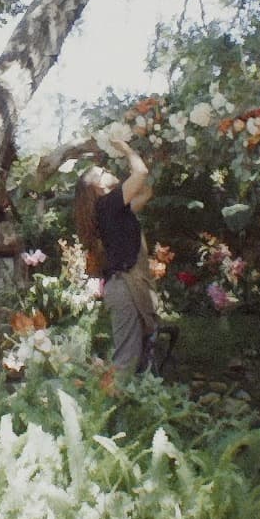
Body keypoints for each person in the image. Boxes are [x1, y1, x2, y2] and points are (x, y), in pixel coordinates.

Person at [73, 137, 157, 372]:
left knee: (135, 357)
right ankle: (104, 403)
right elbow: (141, 173)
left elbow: (146, 191)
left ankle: (128, 401)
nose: (108, 171)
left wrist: (132, 167)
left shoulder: (113, 208)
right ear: (98, 187)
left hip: (124, 286)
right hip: (124, 287)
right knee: (125, 361)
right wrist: (126, 149)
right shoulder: (108, 204)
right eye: (103, 171)